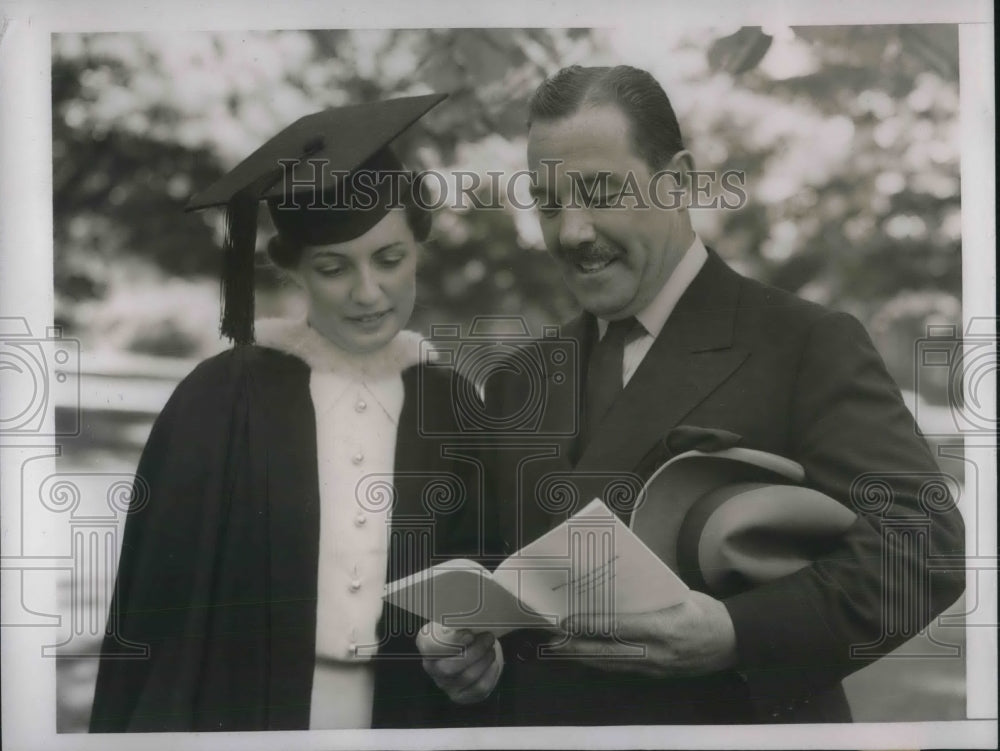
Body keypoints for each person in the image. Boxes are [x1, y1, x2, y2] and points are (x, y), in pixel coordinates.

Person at [417, 65, 966, 724]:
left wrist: (735, 632)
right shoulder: (518, 379)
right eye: (550, 201)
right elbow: (493, 586)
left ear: (677, 182)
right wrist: (472, 659)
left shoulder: (803, 343)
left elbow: (924, 545)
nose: (571, 232)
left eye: (600, 192)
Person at [88, 94, 497, 731]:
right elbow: (159, 617)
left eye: (390, 260)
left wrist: (479, 655)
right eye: (334, 268)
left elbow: (488, 584)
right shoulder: (223, 398)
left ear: (421, 247)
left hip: (405, 719)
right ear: (295, 269)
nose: (368, 293)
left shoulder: (452, 405)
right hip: (248, 715)